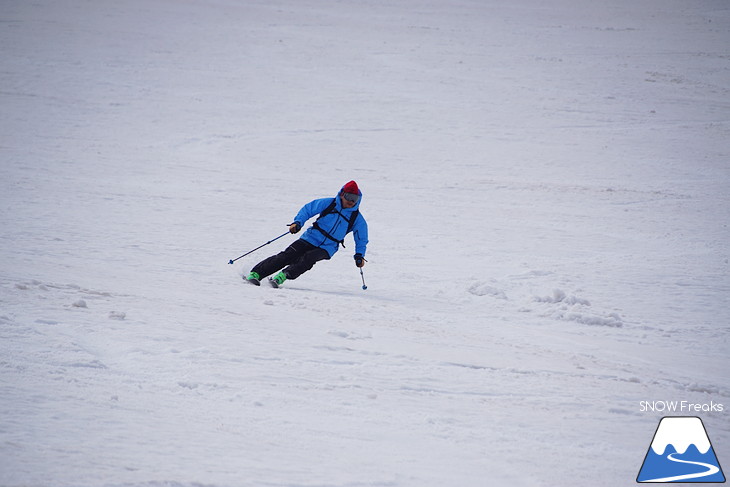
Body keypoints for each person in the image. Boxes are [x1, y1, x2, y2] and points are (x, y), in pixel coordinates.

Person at [246, 180, 368, 287]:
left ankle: (282, 276)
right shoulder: (329, 204)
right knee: (288, 255)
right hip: (311, 237)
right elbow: (308, 209)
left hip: (328, 247)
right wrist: (298, 222)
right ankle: (256, 273)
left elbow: (361, 238)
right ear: (342, 194)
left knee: (309, 258)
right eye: (348, 197)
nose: (351, 201)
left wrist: (359, 255)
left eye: (355, 199)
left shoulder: (356, 218)